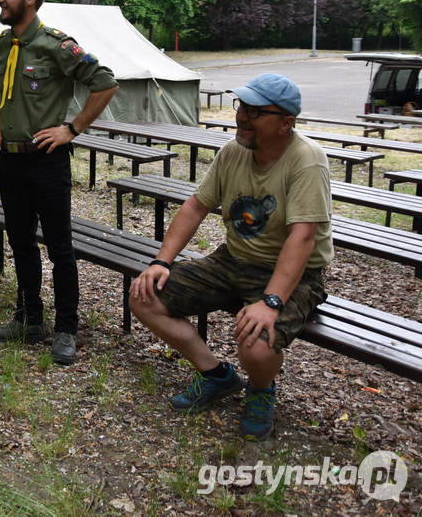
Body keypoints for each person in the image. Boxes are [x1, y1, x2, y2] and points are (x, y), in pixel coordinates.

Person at [129, 73, 333, 440]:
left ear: (286, 122)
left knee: (255, 344)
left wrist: (271, 302)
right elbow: (196, 206)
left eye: (255, 112)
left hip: (294, 273)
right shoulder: (234, 151)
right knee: (144, 296)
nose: (242, 117)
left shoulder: (307, 160)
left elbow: (303, 238)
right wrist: (161, 262)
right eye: (242, 107)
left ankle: (260, 389)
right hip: (232, 259)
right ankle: (218, 376)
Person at [0, 0, 119, 365]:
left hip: (47, 161)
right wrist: (0, 122)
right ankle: (29, 320)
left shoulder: (56, 45)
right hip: (11, 159)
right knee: (21, 242)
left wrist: (72, 128)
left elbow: (106, 82)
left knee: (60, 247)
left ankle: (66, 328)